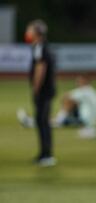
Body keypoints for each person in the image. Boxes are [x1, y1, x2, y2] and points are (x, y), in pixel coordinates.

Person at [18, 75, 96, 139]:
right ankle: (58, 119)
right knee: (70, 105)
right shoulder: (91, 91)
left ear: (85, 81)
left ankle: (30, 122)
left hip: (83, 121)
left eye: (79, 81)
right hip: (89, 120)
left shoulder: (84, 90)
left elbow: (66, 97)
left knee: (54, 122)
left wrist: (63, 111)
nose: (77, 83)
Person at [25, 19, 56, 166]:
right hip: (47, 91)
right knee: (42, 122)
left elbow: (40, 70)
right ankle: (44, 153)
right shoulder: (43, 46)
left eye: (30, 30)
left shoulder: (39, 47)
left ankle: (47, 155)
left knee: (42, 122)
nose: (28, 33)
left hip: (43, 92)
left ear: (36, 33)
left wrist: (36, 90)